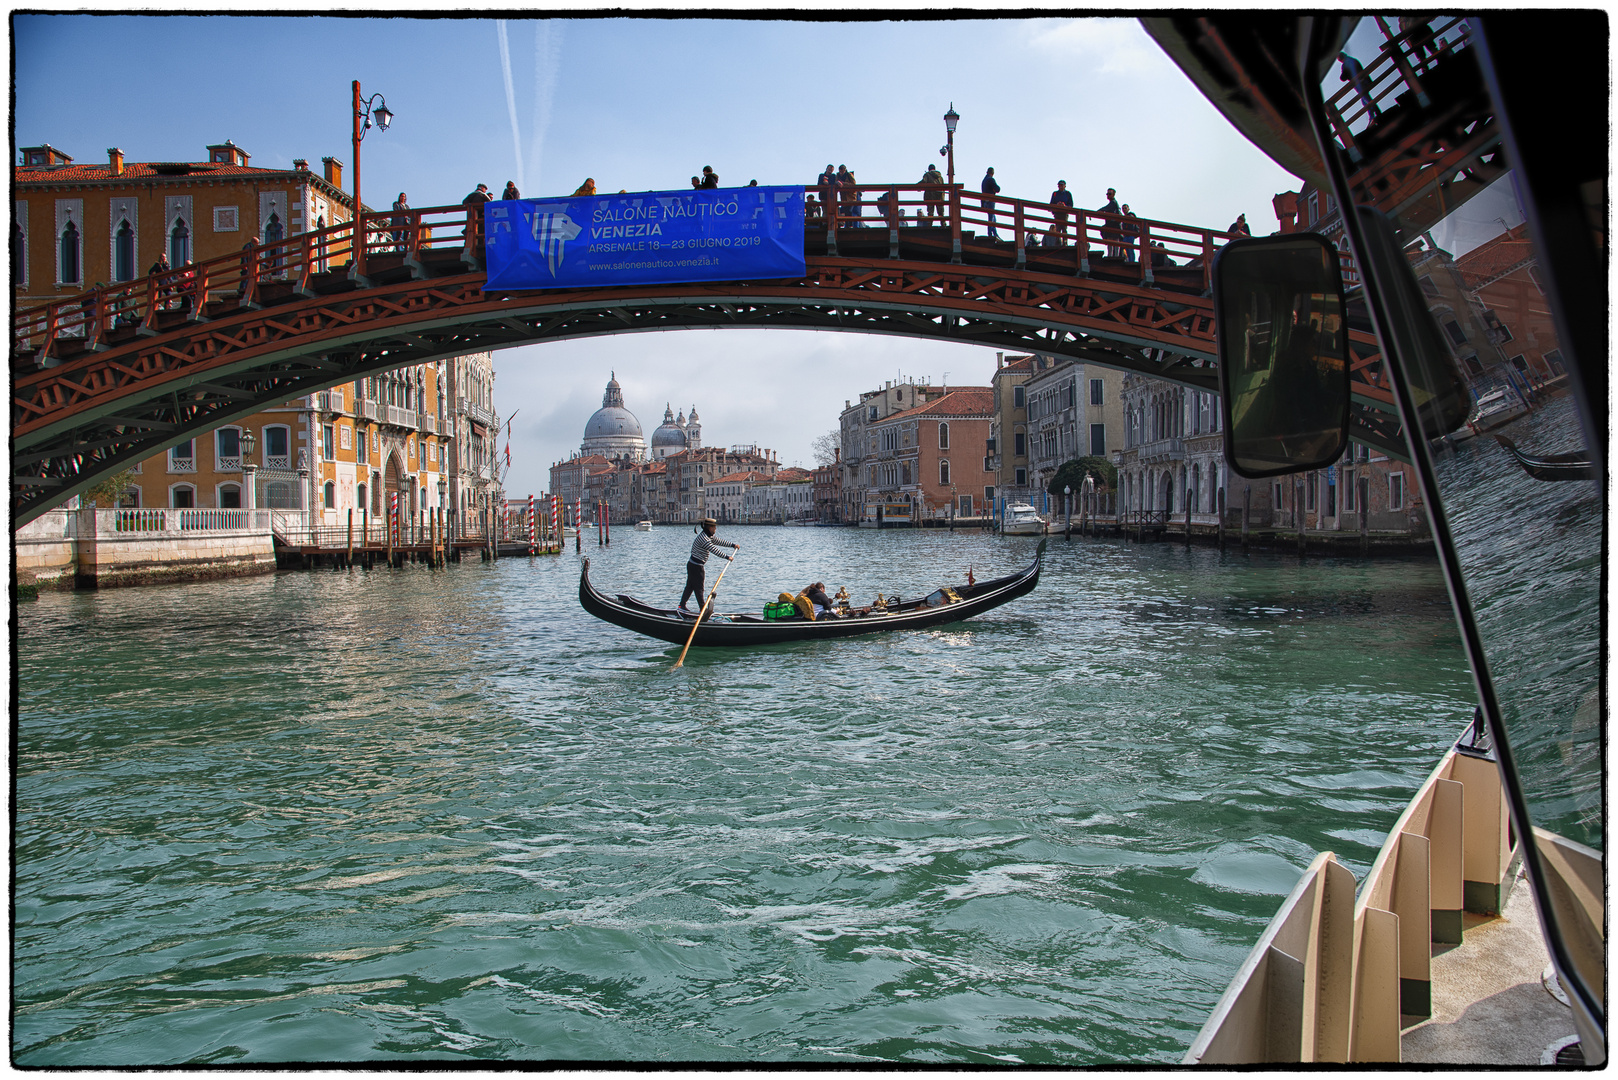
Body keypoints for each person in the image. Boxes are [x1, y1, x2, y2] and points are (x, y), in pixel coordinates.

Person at [681, 517, 739, 612]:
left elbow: (718, 541)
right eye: (714, 527)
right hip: (696, 566)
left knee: (690, 586)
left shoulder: (708, 536)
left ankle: (682, 605)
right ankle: (702, 608)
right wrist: (727, 557)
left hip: (693, 565)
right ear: (710, 528)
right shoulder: (704, 539)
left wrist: (732, 545)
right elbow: (714, 550)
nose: (716, 529)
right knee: (699, 588)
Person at [1339, 52, 1380, 121]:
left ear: (1340, 58)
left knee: (1366, 99)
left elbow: (1343, 77)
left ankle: (1376, 114)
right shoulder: (1352, 60)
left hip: (1360, 83)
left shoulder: (1346, 63)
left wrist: (1343, 76)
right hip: (1364, 80)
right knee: (1365, 100)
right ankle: (1374, 115)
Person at [463, 183, 492, 248]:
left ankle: (467, 244)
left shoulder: (471, 195)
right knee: (481, 231)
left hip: (471, 217)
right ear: (482, 188)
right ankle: (480, 244)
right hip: (480, 217)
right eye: (485, 189)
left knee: (469, 230)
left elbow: (464, 202)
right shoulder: (483, 195)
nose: (485, 191)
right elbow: (490, 204)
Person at [1049, 180, 1073, 244]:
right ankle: (1057, 242)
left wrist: (1064, 206)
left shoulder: (1068, 194)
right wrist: (1057, 205)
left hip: (1064, 213)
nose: (1060, 187)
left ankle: (1065, 242)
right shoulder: (1055, 193)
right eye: (1059, 185)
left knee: (1064, 228)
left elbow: (1071, 205)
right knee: (1058, 228)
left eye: (1062, 185)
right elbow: (1051, 204)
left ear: (1065, 186)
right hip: (1057, 213)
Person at [1099, 187, 1121, 256]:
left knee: (1114, 241)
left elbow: (1106, 208)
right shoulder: (1113, 203)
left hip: (1114, 225)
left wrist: (1099, 211)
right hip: (1112, 225)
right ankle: (1112, 255)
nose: (1108, 195)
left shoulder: (1113, 203)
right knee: (1112, 241)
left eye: (1109, 194)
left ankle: (1113, 256)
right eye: (1107, 194)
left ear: (1113, 194)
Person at [981, 167, 1002, 239]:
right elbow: (997, 189)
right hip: (990, 201)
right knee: (991, 216)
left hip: (985, 201)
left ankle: (994, 232)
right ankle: (991, 233)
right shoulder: (991, 179)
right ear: (992, 173)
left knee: (992, 217)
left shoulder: (984, 180)